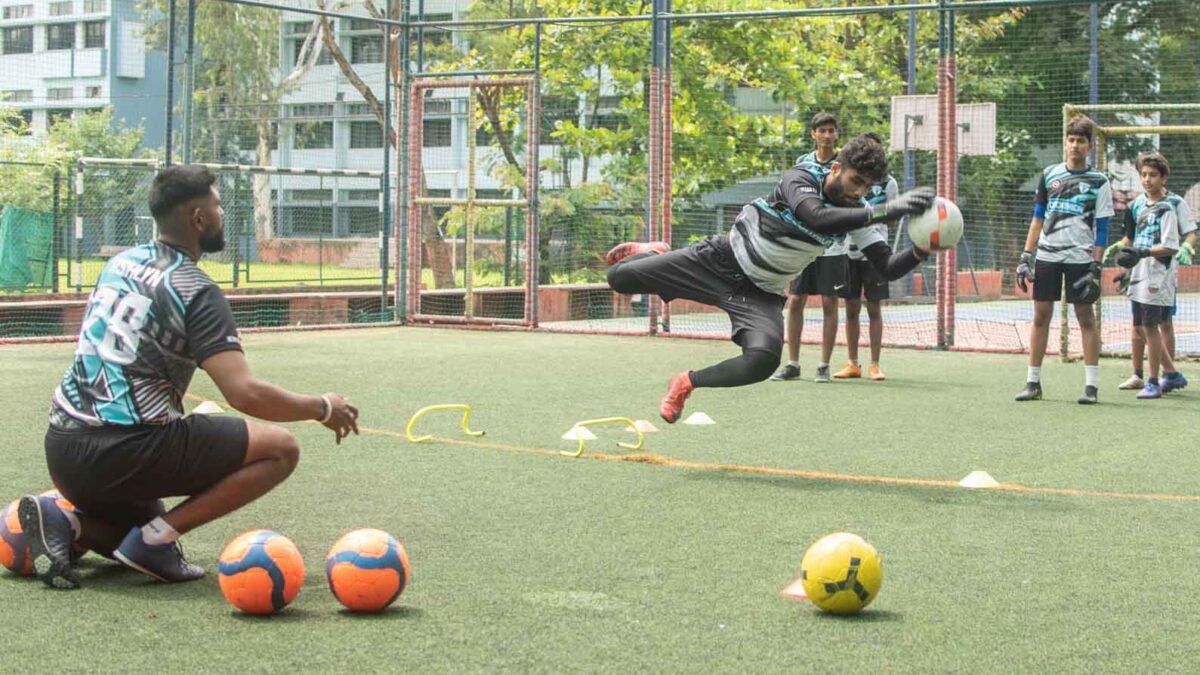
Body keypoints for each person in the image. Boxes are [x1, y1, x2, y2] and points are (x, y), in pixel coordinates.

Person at [18, 164, 360, 589]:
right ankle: (157, 541)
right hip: (125, 452)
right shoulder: (194, 289)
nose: (221, 215)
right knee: (280, 449)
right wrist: (322, 407)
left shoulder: (119, 263)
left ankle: (66, 523)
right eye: (217, 206)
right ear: (198, 218)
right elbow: (245, 393)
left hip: (64, 451)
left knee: (143, 523)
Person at [604, 134, 936, 423]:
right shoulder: (802, 176)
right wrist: (887, 210)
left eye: (866, 187)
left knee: (763, 360)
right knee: (619, 277)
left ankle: (685, 383)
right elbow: (815, 216)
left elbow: (887, 266)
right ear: (837, 169)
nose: (859, 191)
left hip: (760, 293)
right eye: (856, 181)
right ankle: (657, 252)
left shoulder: (858, 214)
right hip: (719, 261)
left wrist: (923, 249)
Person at [1014, 116, 1112, 404]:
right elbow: (1037, 219)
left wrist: (1096, 265)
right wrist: (1026, 256)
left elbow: (1103, 228)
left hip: (1080, 258)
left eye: (1081, 141)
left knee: (1086, 319)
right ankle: (1033, 383)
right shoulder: (1049, 175)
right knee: (1041, 316)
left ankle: (1091, 387)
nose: (1075, 145)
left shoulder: (1100, 181)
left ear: (1090, 146)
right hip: (1047, 256)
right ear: (1065, 143)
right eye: (1071, 140)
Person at [1106, 151, 1192, 398]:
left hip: (1159, 274)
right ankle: (1147, 374)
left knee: (1156, 325)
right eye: (1143, 174)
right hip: (1138, 273)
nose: (1146, 179)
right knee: (1139, 326)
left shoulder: (1171, 206)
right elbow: (1130, 239)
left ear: (1163, 177)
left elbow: (1177, 240)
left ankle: (1159, 378)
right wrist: (1122, 255)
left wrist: (1187, 247)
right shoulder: (1135, 206)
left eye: (1152, 175)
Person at [772, 112, 843, 383]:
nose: (826, 135)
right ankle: (792, 363)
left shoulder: (843, 165)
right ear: (813, 134)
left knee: (829, 301)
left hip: (833, 246)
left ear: (837, 134)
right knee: (796, 300)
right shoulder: (802, 164)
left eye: (831, 130)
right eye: (821, 130)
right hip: (804, 242)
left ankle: (824, 365)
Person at [835, 162, 900, 381]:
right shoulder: (849, 180)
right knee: (851, 308)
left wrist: (874, 213)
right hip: (848, 251)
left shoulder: (889, 183)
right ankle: (852, 363)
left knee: (874, 308)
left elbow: (892, 220)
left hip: (875, 252)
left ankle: (875, 364)